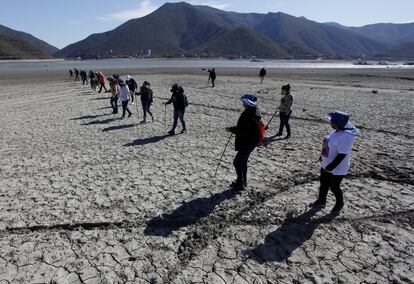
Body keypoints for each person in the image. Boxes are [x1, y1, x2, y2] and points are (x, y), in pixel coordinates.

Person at [311, 111, 360, 214]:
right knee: (323, 184)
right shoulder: (336, 131)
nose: (330, 123)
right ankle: (321, 201)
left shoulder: (347, 136)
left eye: (332, 122)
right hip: (326, 163)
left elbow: (342, 155)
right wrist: (322, 156)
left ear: (337, 123)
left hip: (337, 167)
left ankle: (339, 203)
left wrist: (331, 167)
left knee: (334, 186)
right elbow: (329, 144)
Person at [226, 94, 261, 191]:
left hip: (248, 142)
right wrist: (233, 129)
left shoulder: (247, 114)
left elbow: (244, 131)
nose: (243, 104)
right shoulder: (253, 111)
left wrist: (232, 130)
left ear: (247, 103)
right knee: (243, 162)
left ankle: (240, 183)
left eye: (244, 102)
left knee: (237, 162)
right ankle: (243, 181)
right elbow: (244, 128)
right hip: (252, 141)